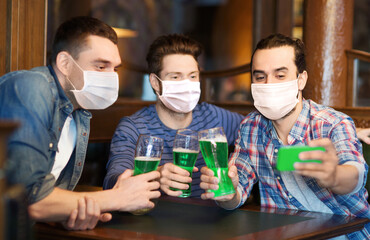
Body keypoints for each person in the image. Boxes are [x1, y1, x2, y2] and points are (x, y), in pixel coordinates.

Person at [200, 33, 370, 239]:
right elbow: (237, 189)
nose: (269, 84)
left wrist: (333, 175)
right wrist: (226, 194)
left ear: (301, 80)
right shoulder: (251, 127)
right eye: (260, 76)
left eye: (280, 76)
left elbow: (355, 174)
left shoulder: (333, 123)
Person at [0, 16, 160, 230]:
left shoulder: (79, 114)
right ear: (65, 63)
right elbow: (28, 198)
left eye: (115, 68)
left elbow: (47, 202)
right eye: (101, 66)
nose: (112, 77)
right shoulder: (30, 86)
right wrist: (118, 198)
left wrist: (69, 212)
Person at [103, 34, 244, 198]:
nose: (186, 85)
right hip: (154, 220)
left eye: (192, 76)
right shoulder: (133, 128)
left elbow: (256, 130)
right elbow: (112, 183)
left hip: (209, 218)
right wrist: (156, 175)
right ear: (155, 83)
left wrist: (236, 168)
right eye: (176, 77)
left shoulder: (214, 117)